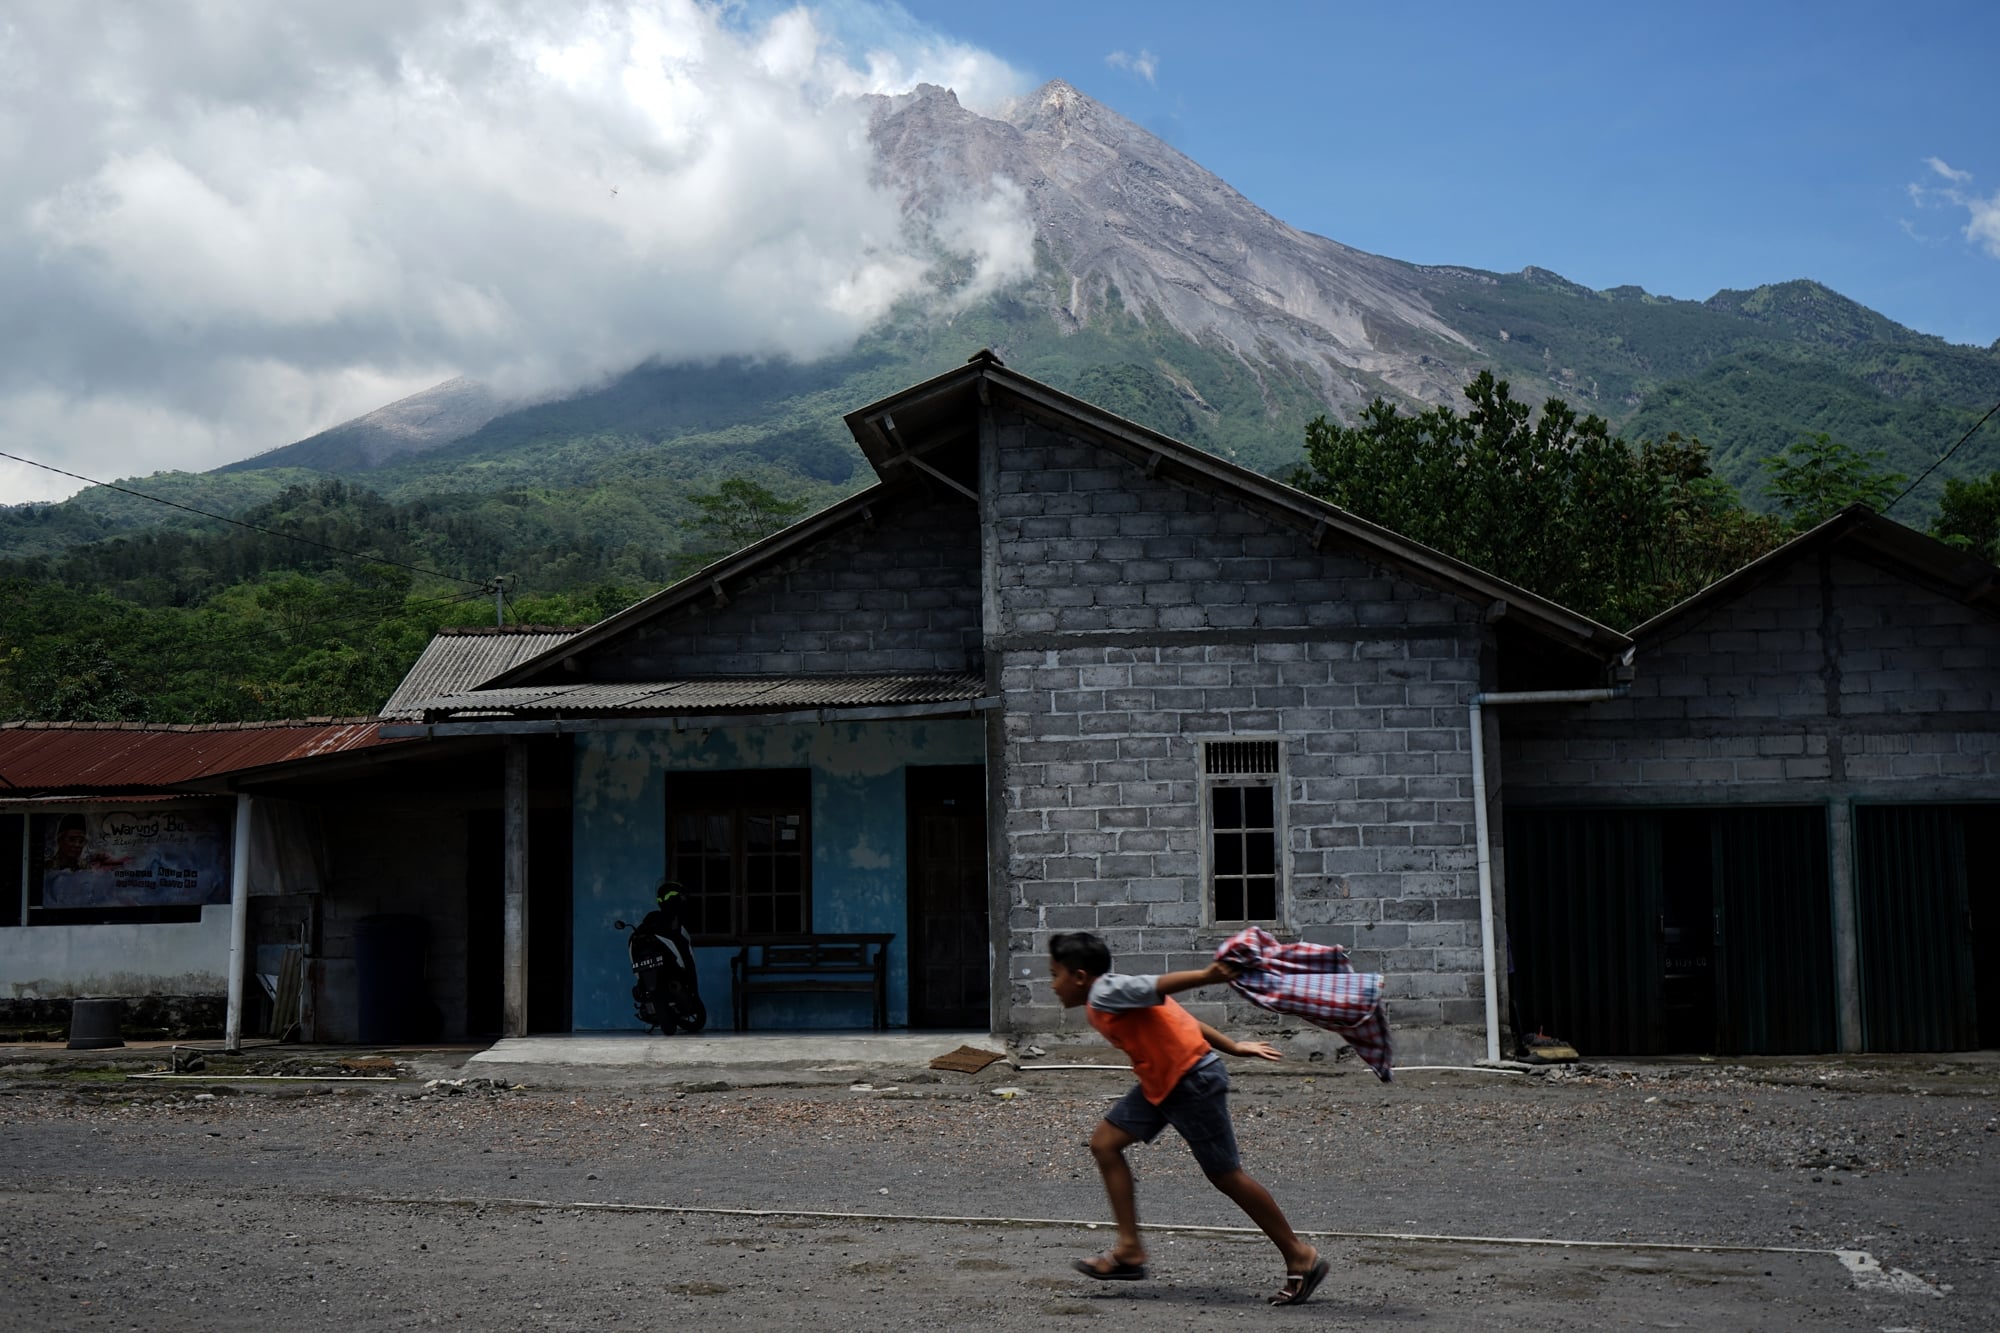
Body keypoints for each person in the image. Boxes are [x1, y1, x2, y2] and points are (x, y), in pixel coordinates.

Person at [1047, 930, 1330, 1306]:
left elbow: (1158, 985)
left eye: (1055, 975)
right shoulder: (1114, 995)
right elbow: (1180, 1019)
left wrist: (1206, 976)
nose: (1052, 985)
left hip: (1190, 1080)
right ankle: (1129, 1250)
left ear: (1079, 976)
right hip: (1161, 1083)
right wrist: (1233, 1046)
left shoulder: (1106, 991)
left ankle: (1299, 1255)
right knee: (1105, 1143)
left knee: (1227, 1174)